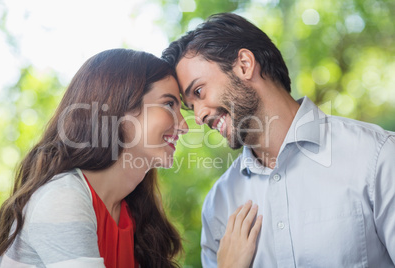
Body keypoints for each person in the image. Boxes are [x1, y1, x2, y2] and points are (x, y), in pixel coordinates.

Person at [162, 13, 395, 267]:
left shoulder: (376, 156)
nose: (198, 116)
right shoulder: (219, 204)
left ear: (244, 64)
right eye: (191, 106)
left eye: (199, 91)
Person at [0, 48, 262, 268]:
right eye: (169, 104)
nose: (184, 126)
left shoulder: (134, 212)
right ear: (118, 109)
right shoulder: (61, 199)